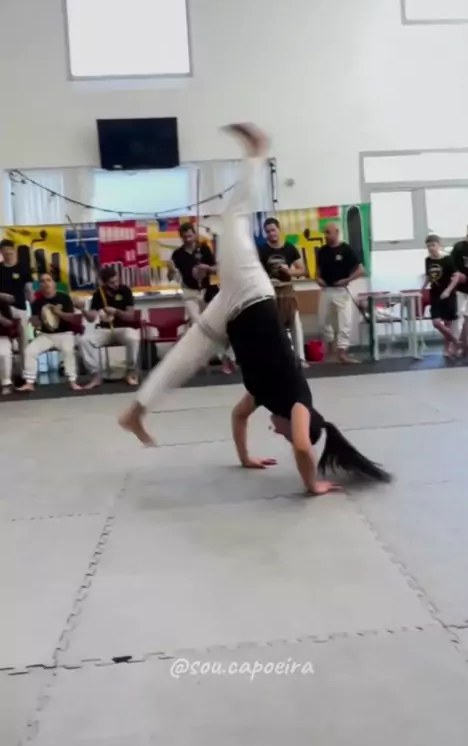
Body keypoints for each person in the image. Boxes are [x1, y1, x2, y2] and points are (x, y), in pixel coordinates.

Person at [120, 124, 391, 495]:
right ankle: (257, 153)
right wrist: (312, 483)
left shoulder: (264, 396)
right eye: (283, 433)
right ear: (298, 423)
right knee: (233, 217)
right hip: (250, 292)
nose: (276, 433)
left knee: (186, 355)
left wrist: (246, 457)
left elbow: (237, 418)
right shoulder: (299, 402)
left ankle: (136, 411)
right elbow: (302, 445)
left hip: (231, 312)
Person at [169, 223, 234, 373]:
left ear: (194, 234)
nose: (187, 239)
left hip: (206, 291)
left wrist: (207, 268)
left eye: (190, 236)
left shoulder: (203, 249)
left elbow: (216, 269)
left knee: (217, 323)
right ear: (181, 237)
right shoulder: (177, 254)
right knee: (199, 323)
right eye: (184, 237)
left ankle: (225, 356)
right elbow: (171, 277)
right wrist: (170, 270)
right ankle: (206, 358)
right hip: (189, 293)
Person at [77, 266, 140, 389]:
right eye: (111, 283)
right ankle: (95, 375)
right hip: (104, 330)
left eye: (116, 281)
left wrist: (115, 311)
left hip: (123, 329)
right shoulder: (99, 293)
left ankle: (131, 371)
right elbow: (91, 318)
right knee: (84, 340)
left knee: (133, 338)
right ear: (104, 283)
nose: (115, 284)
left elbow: (130, 316)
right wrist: (83, 309)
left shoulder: (125, 290)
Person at [258, 217, 308, 367]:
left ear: (279, 230)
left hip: (287, 290)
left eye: (273, 230)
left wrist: (289, 271)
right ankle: (278, 358)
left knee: (295, 323)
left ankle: (300, 358)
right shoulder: (262, 250)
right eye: (268, 232)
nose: (271, 234)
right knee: (273, 326)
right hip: (270, 291)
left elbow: (303, 270)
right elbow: (256, 272)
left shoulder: (290, 248)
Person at [18, 273, 80, 392]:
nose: (46, 283)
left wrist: (59, 313)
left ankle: (72, 381)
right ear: (40, 285)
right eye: (42, 281)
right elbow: (36, 324)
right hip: (46, 335)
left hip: (64, 334)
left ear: (54, 283)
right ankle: (29, 382)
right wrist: (34, 321)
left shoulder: (64, 298)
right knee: (29, 351)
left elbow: (72, 318)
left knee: (68, 350)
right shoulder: (37, 302)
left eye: (48, 280)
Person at [316, 225, 364, 364]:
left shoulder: (346, 249)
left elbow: (361, 270)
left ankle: (342, 351)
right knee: (322, 321)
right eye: (325, 233)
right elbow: (317, 272)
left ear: (337, 233)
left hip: (341, 290)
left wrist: (347, 280)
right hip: (326, 290)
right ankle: (331, 346)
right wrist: (318, 279)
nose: (326, 235)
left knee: (345, 322)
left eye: (328, 233)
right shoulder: (322, 251)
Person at [423, 234, 462, 359]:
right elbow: (428, 276)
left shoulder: (448, 259)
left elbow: (456, 276)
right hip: (435, 293)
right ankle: (457, 342)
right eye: (429, 246)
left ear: (439, 245)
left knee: (447, 323)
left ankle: (447, 349)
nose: (431, 248)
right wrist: (422, 289)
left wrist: (448, 291)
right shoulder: (428, 260)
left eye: (433, 245)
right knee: (436, 322)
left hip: (448, 294)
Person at [0, 238, 33, 359]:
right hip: (3, 311)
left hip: (20, 308)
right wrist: (2, 295)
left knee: (24, 344)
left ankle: (24, 369)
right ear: (1, 252)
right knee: (5, 343)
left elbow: (29, 290)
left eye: (10, 251)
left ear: (14, 250)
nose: (8, 254)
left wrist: (34, 310)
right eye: (5, 252)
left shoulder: (23, 268)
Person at [450, 222, 468, 318]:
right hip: (461, 288)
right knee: (458, 314)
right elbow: (450, 264)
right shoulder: (459, 247)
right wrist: (457, 273)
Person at [0, 298, 15, 395]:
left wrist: (1, 318)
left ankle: (6, 383)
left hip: (2, 336)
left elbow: (10, 323)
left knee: (4, 354)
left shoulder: (2, 303)